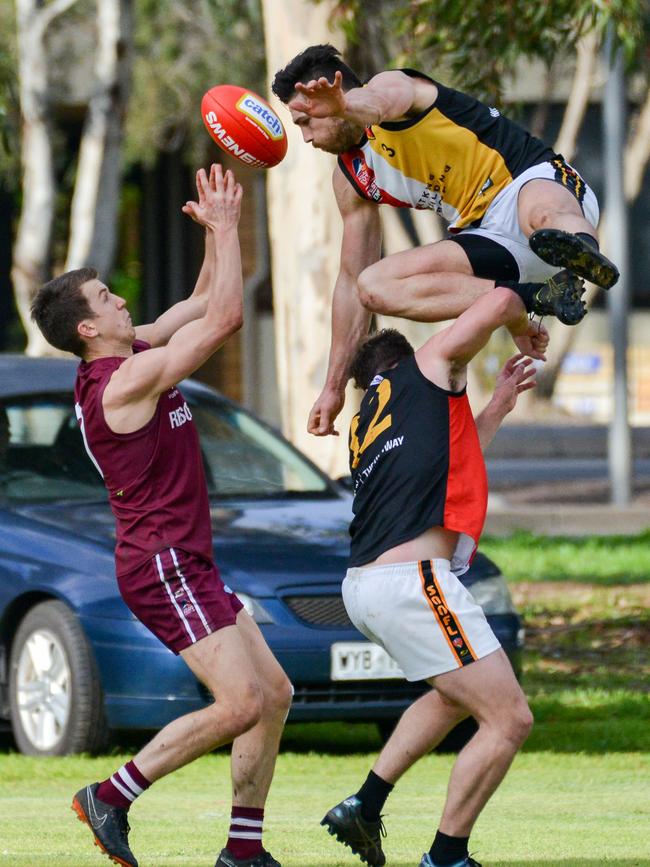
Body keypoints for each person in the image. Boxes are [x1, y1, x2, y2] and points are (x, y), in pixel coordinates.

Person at [30, 164, 293, 867]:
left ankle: (243, 849)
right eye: (108, 298)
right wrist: (235, 230)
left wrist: (214, 234)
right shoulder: (123, 381)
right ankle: (112, 795)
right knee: (239, 702)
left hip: (185, 556)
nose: (121, 301)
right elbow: (229, 319)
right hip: (160, 561)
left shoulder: (135, 348)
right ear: (88, 327)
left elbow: (206, 299)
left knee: (273, 691)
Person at [319, 284, 554, 867]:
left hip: (367, 586)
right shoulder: (424, 368)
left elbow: (449, 460)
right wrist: (524, 320)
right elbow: (500, 301)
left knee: (452, 697)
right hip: (410, 583)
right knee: (509, 719)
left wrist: (495, 405)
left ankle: (365, 805)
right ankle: (446, 856)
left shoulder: (366, 423)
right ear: (408, 359)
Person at [272, 44, 618, 437]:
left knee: (542, 218)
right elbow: (352, 284)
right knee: (374, 285)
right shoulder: (351, 178)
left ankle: (583, 255)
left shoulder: (391, 87)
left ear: (341, 95)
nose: (304, 137)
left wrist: (346, 106)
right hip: (487, 238)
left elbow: (377, 103)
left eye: (307, 119)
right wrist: (333, 388)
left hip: (526, 180)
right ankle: (534, 297)